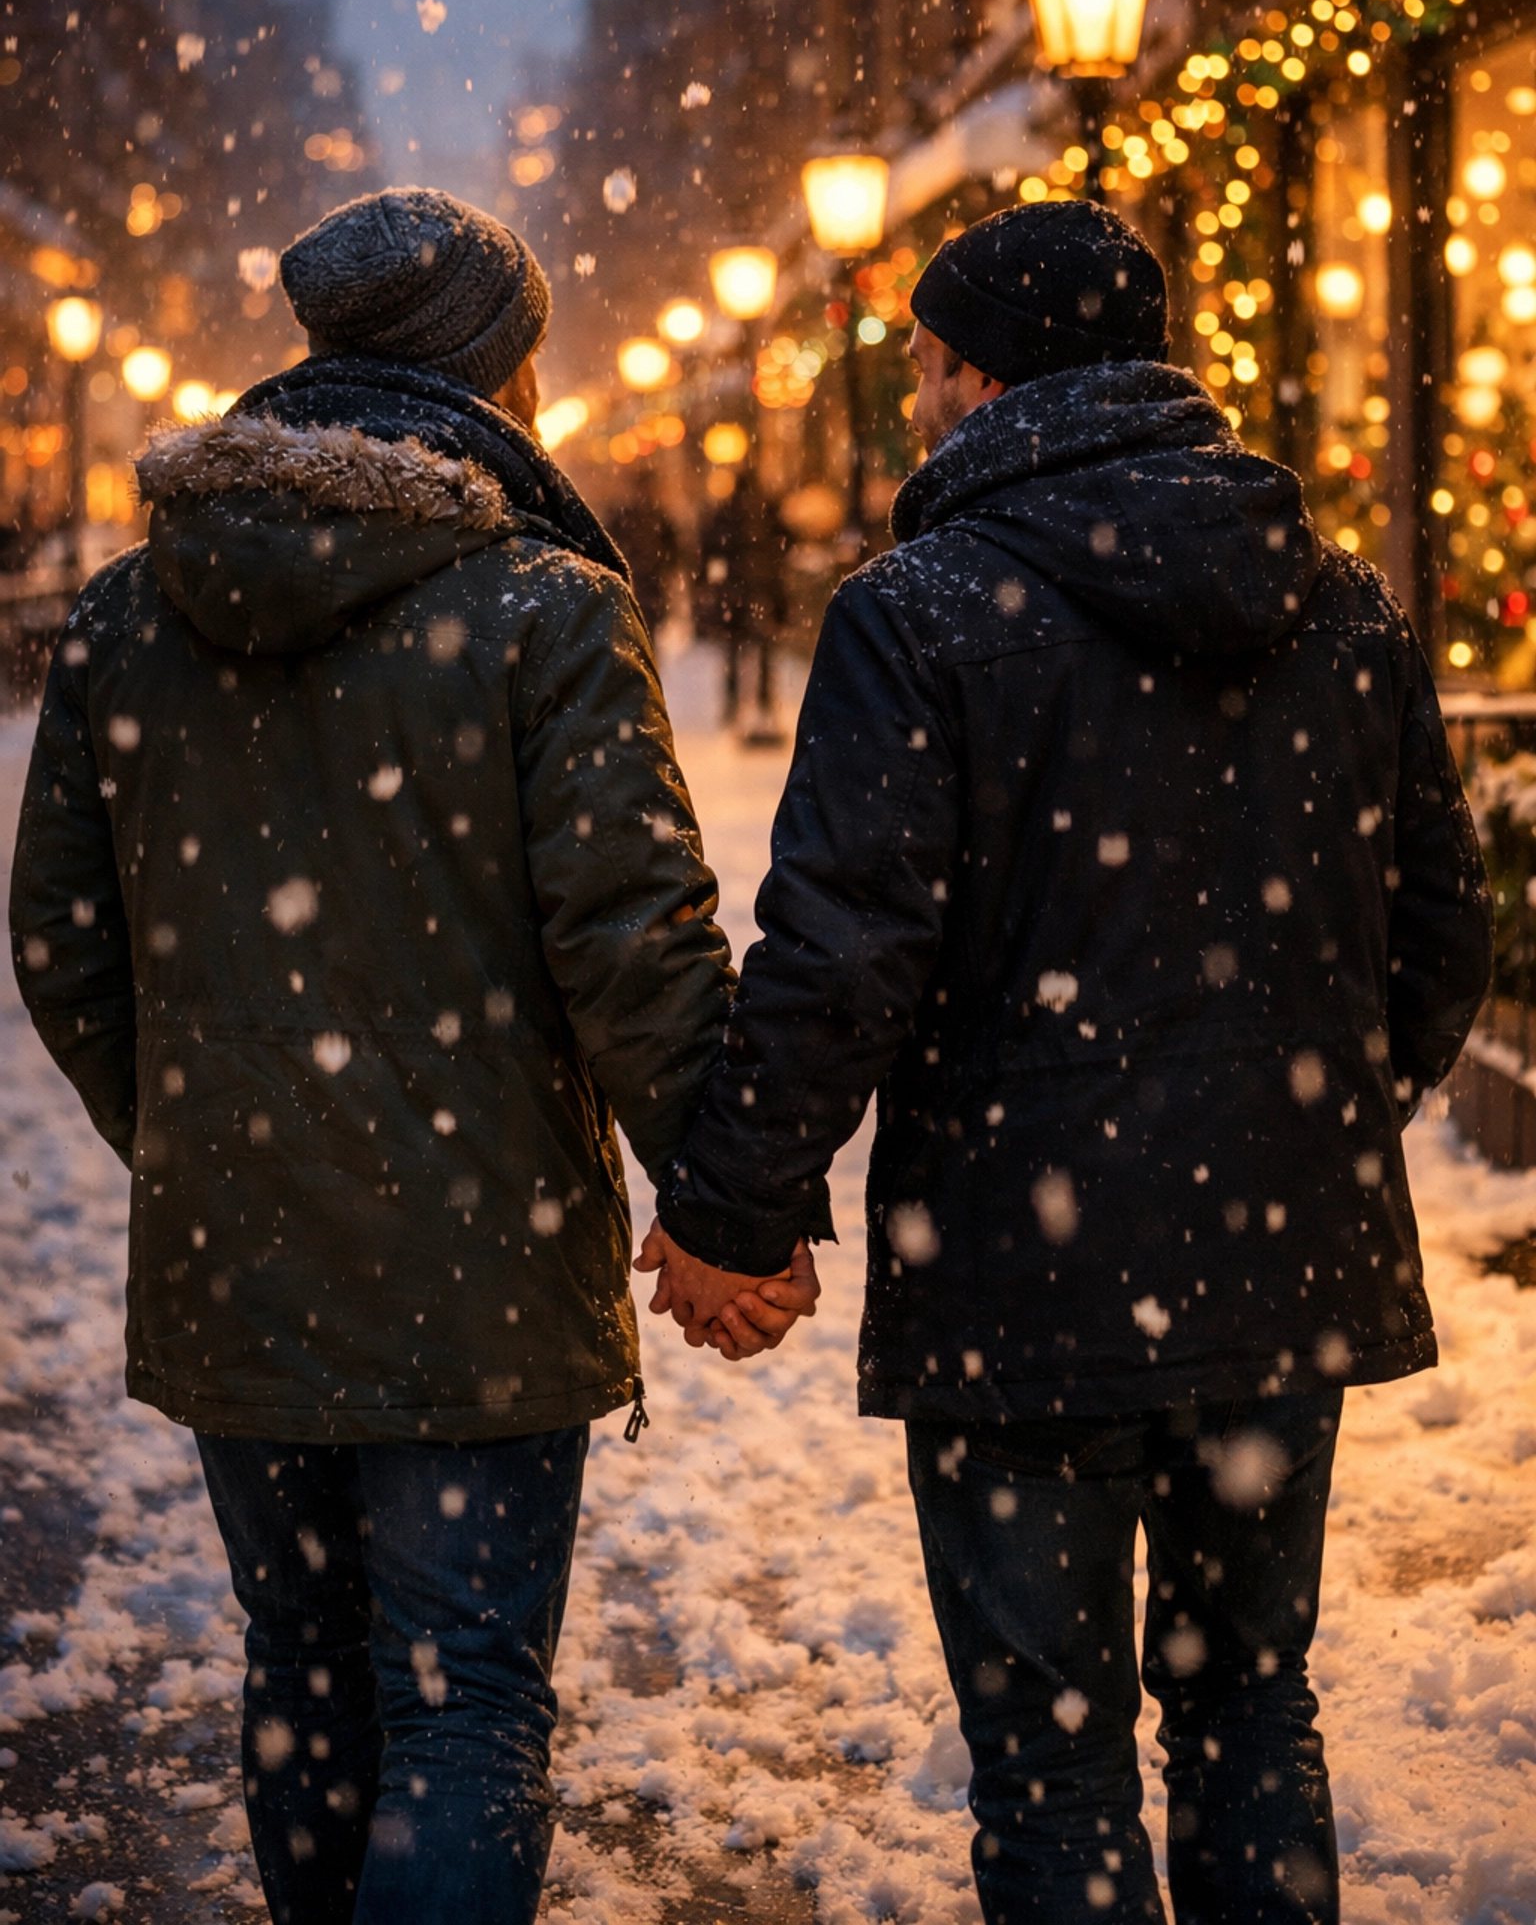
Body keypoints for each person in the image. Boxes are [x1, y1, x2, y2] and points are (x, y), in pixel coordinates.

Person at [639, 200, 1492, 1924]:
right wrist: (1298, 1116)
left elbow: (840, 945)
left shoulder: (918, 610)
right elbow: (1437, 934)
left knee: (1050, 1755)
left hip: (1021, 1281)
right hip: (1272, 1251)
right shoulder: (1331, 598)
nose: (912, 399)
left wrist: (735, 1204)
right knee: (1252, 1700)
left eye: (921, 364)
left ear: (978, 368)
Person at [9, 187, 816, 1925]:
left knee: (302, 1667)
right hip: (481, 1256)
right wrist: (727, 1203)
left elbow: (64, 942)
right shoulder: (544, 609)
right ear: (506, 371)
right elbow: (636, 941)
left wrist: (202, 1127)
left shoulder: (134, 612)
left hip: (241, 1248)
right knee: (461, 1699)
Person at [692, 465, 788, 740]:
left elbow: (708, 546)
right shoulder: (765, 509)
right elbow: (784, 542)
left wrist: (706, 579)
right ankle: (763, 703)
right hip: (762, 588)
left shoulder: (726, 511)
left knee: (734, 648)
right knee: (764, 648)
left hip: (736, 591)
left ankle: (733, 703)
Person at [606, 461, 681, 638]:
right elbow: (673, 551)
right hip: (645, 583)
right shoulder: (657, 517)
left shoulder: (625, 516)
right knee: (646, 633)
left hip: (637, 583)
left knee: (634, 633)